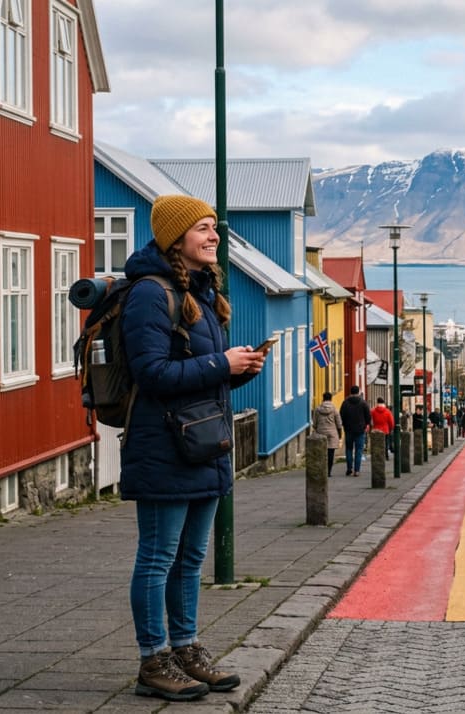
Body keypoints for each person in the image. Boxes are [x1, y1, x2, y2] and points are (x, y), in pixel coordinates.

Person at [121, 195, 262, 701]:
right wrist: (222, 365)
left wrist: (238, 370)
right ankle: (152, 659)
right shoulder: (148, 295)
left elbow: (199, 383)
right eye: (203, 228)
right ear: (175, 237)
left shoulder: (200, 294)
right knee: (159, 557)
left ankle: (186, 649)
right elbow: (151, 374)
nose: (214, 237)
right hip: (163, 449)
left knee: (191, 559)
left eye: (214, 229)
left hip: (202, 448)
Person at [338, 385, 372, 477]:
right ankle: (357, 470)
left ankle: (349, 469)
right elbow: (368, 416)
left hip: (348, 429)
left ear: (350, 392)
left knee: (349, 449)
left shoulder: (345, 403)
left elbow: (341, 415)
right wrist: (367, 424)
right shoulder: (363, 403)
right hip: (360, 430)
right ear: (358, 392)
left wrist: (344, 425)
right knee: (359, 450)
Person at [311, 392, 342, 478]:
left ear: (323, 398)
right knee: (331, 453)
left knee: (321, 452)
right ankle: (329, 471)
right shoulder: (334, 409)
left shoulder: (317, 409)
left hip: (321, 432)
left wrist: (316, 428)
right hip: (332, 433)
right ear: (331, 398)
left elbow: (314, 423)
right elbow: (339, 423)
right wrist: (339, 435)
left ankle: (321, 469)